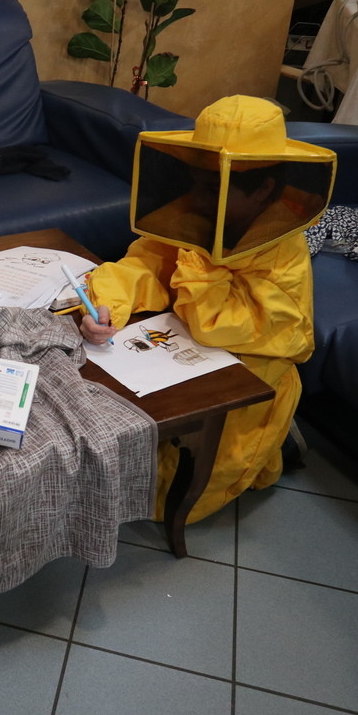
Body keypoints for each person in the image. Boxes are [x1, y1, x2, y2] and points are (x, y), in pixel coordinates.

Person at [78, 95, 336, 523]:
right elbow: (145, 264)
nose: (197, 200)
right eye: (195, 183)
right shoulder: (195, 206)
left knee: (182, 498)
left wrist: (198, 266)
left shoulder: (282, 251)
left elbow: (231, 325)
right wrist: (106, 305)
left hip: (250, 369)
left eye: (213, 190)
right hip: (184, 342)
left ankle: (276, 438)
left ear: (263, 190)